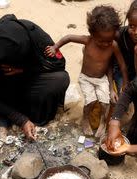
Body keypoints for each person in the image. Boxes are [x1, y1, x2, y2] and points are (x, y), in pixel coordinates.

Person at [0, 14, 70, 141]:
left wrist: (24, 69)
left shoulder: (33, 33)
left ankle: (29, 114)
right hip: (1, 88)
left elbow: (58, 64)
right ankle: (10, 115)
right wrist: (21, 120)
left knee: (60, 79)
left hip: (28, 80)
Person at [45, 5, 129, 137]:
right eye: (101, 41)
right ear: (92, 34)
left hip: (102, 79)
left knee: (105, 103)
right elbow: (68, 37)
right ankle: (85, 119)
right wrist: (55, 47)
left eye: (109, 40)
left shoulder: (113, 45)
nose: (106, 44)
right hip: (86, 78)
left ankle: (103, 122)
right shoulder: (88, 41)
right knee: (90, 101)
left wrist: (125, 83)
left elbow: (123, 66)